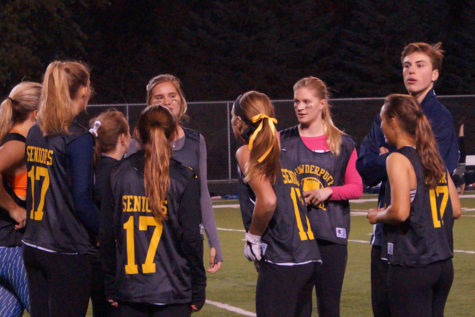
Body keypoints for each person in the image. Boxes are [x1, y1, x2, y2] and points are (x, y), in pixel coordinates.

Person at [356, 42, 459, 317]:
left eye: (420, 65)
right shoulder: (392, 110)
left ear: (435, 74)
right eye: (406, 65)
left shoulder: (440, 118)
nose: (411, 71)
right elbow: (363, 165)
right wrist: (393, 159)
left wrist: (394, 157)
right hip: (391, 242)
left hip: (418, 245)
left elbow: (433, 176)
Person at [100, 105, 206, 316]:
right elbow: (192, 239)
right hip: (173, 291)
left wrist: (111, 283)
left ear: (137, 133)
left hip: (129, 291)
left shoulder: (117, 174)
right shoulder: (184, 177)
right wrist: (198, 286)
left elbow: (106, 235)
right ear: (174, 133)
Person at [279, 76, 363, 317]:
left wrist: (328, 191)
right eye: (296, 102)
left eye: (307, 101)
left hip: (330, 235)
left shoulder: (343, 143)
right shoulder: (282, 139)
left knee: (329, 306)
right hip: (294, 236)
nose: (300, 107)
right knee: (298, 307)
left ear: (322, 104)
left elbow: (356, 187)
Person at [232, 91, 321, 317]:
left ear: (239, 122)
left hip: (283, 259)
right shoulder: (284, 155)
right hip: (308, 255)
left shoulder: (246, 152)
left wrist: (253, 235)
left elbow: (269, 199)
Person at [22, 61, 100, 317]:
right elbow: (81, 200)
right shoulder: (78, 138)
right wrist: (107, 232)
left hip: (33, 244)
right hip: (66, 249)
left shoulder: (35, 132)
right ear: (84, 90)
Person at [146, 74, 222, 273]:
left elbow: (203, 194)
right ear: (150, 104)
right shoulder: (138, 143)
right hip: (150, 240)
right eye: (159, 97)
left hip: (188, 240)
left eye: (172, 96)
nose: (167, 102)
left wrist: (214, 242)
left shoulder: (196, 141)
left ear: (181, 101)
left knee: (190, 301)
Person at [0, 81, 41, 316]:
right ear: (37, 112)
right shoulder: (18, 144)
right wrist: (14, 209)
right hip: (12, 248)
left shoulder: (19, 142)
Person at [89, 109, 131, 316]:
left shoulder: (91, 168)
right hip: (114, 261)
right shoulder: (120, 173)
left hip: (94, 259)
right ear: (123, 138)